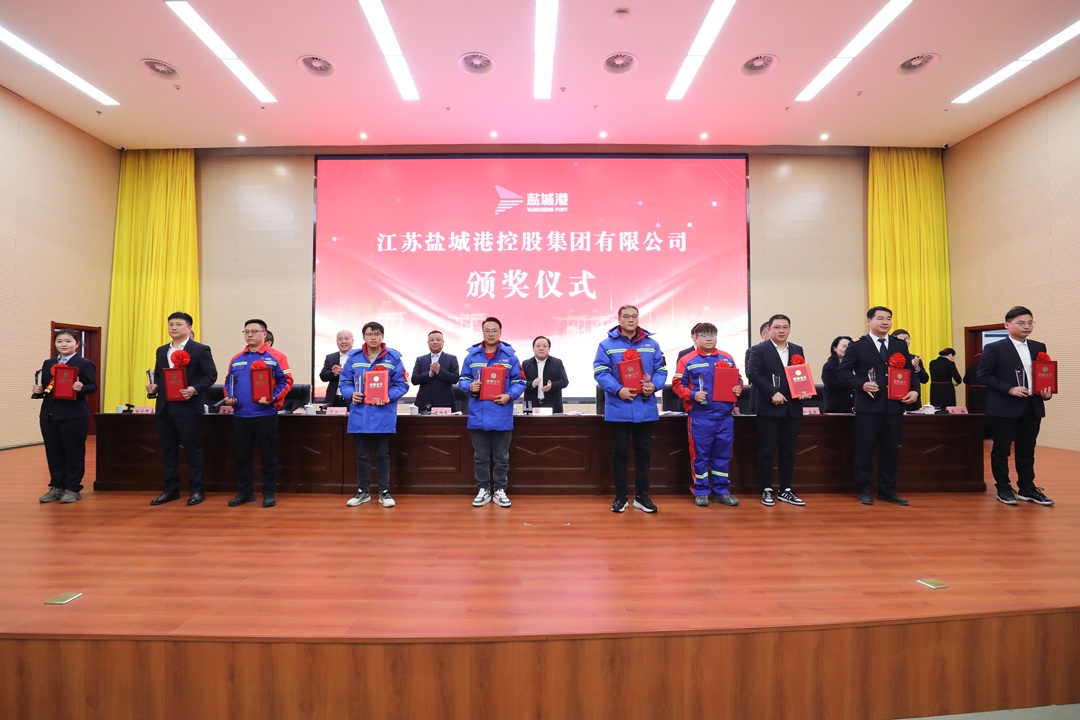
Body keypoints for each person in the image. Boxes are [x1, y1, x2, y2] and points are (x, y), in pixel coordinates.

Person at [838, 306, 920, 505]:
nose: (885, 322)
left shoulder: (899, 344)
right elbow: (843, 372)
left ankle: (887, 491)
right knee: (865, 450)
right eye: (880, 318)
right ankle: (864, 490)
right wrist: (861, 384)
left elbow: (909, 371)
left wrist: (914, 390)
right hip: (868, 407)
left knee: (891, 450)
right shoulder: (858, 346)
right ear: (869, 321)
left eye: (888, 318)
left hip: (894, 406)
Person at [976, 306, 1054, 506]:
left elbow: (1042, 374)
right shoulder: (994, 348)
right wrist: (1009, 389)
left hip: (1032, 405)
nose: (1027, 326)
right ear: (1007, 325)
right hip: (1005, 406)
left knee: (1027, 449)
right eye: (1021, 323)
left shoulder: (1039, 346)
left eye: (1030, 322)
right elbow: (983, 375)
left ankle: (1027, 487)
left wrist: (1045, 392)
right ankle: (1003, 487)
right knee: (1002, 449)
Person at [593, 305, 668, 513]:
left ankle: (642, 496)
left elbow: (661, 369)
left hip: (645, 406)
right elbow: (600, 372)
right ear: (619, 319)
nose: (631, 320)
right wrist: (618, 390)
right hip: (619, 407)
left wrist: (654, 385)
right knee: (619, 453)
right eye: (626, 316)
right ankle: (621, 496)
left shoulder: (651, 344)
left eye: (634, 316)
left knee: (643, 453)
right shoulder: (606, 345)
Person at [146, 312, 218, 507]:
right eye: (171, 324)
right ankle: (171, 490)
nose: (174, 327)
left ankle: (197, 490)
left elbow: (211, 375)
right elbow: (159, 375)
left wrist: (194, 388)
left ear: (189, 328)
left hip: (188, 407)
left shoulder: (200, 349)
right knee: (168, 450)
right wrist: (155, 386)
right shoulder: (162, 350)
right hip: (165, 408)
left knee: (193, 450)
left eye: (178, 324)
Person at [671, 322, 742, 507]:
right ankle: (701, 490)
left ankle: (721, 490)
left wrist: (738, 388)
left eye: (712, 335)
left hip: (724, 417)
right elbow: (677, 385)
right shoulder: (687, 360)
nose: (709, 339)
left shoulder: (727, 358)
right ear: (695, 338)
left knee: (723, 455)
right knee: (699, 456)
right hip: (700, 417)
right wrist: (692, 395)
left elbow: (738, 380)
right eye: (704, 335)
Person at [340, 322, 409, 508]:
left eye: (377, 334)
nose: (373, 337)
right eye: (369, 334)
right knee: (362, 455)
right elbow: (344, 382)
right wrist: (351, 394)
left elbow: (402, 384)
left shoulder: (393, 358)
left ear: (382, 337)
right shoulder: (354, 358)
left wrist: (388, 396)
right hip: (360, 414)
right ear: (364, 337)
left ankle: (384, 492)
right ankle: (363, 491)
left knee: (382, 455)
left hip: (382, 414)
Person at [458, 317, 525, 508]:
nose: (491, 334)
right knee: (480, 456)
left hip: (501, 413)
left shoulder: (510, 356)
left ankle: (500, 490)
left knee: (501, 457)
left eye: (494, 330)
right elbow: (462, 379)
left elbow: (520, 381)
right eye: (487, 330)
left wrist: (509, 395)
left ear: (500, 332)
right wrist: (469, 386)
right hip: (478, 414)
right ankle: (484, 489)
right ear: (482, 332)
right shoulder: (472, 356)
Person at [222, 319, 289, 508]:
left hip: (265, 414)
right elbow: (228, 382)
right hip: (241, 414)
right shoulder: (237, 358)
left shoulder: (276, 356)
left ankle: (268, 493)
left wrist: (273, 397)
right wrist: (229, 396)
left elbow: (286, 381)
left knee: (268, 456)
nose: (249, 335)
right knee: (243, 456)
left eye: (253, 331)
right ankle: (245, 493)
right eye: (246, 332)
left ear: (264, 334)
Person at [745, 314, 810, 507]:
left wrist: (804, 390)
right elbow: (752, 373)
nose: (781, 331)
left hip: (793, 408)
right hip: (769, 407)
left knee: (788, 450)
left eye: (785, 327)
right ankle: (767, 488)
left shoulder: (797, 349)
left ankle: (785, 490)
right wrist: (772, 392)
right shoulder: (758, 350)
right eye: (777, 327)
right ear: (769, 329)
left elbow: (799, 374)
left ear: (789, 329)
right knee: (767, 450)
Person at [34, 330, 98, 504]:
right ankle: (56, 486)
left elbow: (92, 386)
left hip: (73, 416)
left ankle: (73, 488)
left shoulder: (84, 364)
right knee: (53, 452)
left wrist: (81, 387)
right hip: (49, 415)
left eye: (68, 341)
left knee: (73, 452)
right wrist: (39, 390)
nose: (63, 344)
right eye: (59, 341)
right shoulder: (49, 363)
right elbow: (47, 387)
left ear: (77, 344)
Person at [412, 330, 460, 412]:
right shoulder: (420, 360)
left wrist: (439, 371)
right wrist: (429, 374)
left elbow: (455, 379)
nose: (435, 342)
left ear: (443, 342)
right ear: (428, 343)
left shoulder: (451, 359)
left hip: (445, 403)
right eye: (432, 340)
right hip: (424, 402)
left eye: (438, 339)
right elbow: (414, 380)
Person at [521, 336, 569, 413]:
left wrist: (552, 385)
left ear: (549, 348)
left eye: (544, 346)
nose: (541, 348)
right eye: (538, 346)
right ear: (533, 348)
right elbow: (520, 383)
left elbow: (564, 381)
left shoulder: (557, 363)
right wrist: (531, 384)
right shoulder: (526, 364)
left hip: (553, 405)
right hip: (531, 405)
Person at [891, 329, 929, 406]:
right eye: (901, 339)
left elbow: (925, 379)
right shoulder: (888, 357)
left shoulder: (915, 358)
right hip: (893, 400)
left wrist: (917, 368)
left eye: (907, 338)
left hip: (912, 399)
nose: (905, 341)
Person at [319, 330, 354, 408]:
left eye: (346, 339)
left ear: (352, 341)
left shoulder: (357, 357)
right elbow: (323, 376)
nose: (343, 341)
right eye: (340, 339)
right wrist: (334, 373)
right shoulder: (331, 357)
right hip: (334, 400)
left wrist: (345, 372)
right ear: (337, 342)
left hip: (352, 399)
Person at [262, 329, 295, 410]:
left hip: (268, 408)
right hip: (243, 409)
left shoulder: (278, 357)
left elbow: (286, 381)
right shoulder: (240, 357)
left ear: (268, 343)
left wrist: (273, 397)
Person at [821, 336, 855, 413]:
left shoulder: (855, 365)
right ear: (835, 348)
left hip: (854, 407)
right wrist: (849, 376)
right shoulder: (829, 366)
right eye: (844, 346)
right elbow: (831, 385)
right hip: (835, 408)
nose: (847, 349)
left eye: (849, 346)